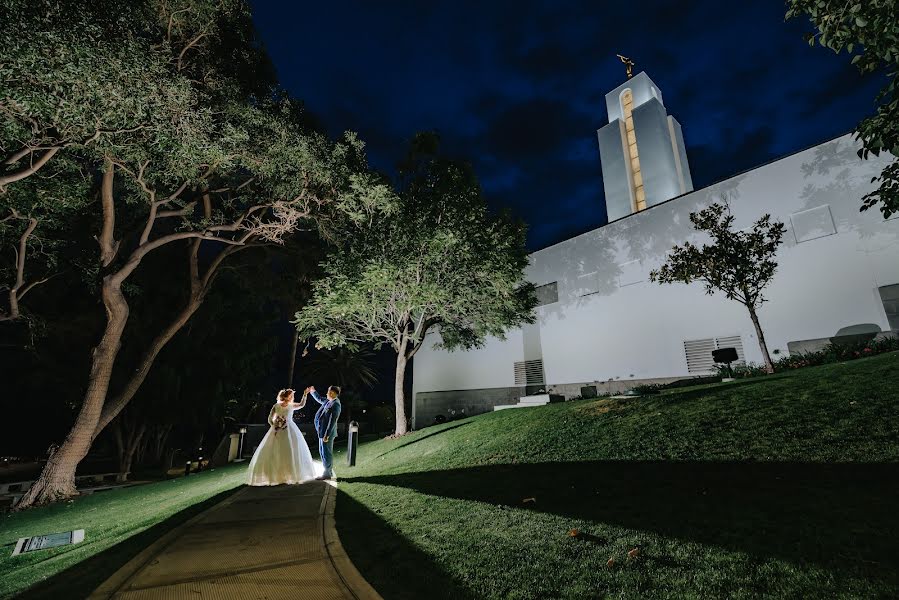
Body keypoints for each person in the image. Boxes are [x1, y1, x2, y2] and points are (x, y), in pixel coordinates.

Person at [246, 388, 317, 486]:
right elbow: (270, 418)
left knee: (290, 450)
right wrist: (274, 426)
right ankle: (275, 476)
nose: (292, 397)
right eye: (291, 395)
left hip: (290, 429)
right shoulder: (276, 406)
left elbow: (301, 405)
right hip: (277, 430)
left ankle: (291, 475)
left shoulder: (291, 406)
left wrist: (305, 394)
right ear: (287, 396)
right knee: (276, 451)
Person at [308, 385, 341, 480]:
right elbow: (318, 398)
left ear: (333, 393)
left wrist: (326, 434)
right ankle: (327, 472)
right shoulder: (328, 401)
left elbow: (332, 421)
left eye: (329, 391)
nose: (327, 393)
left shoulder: (336, 404)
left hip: (327, 433)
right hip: (321, 431)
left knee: (326, 453)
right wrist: (313, 391)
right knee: (322, 452)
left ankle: (327, 473)